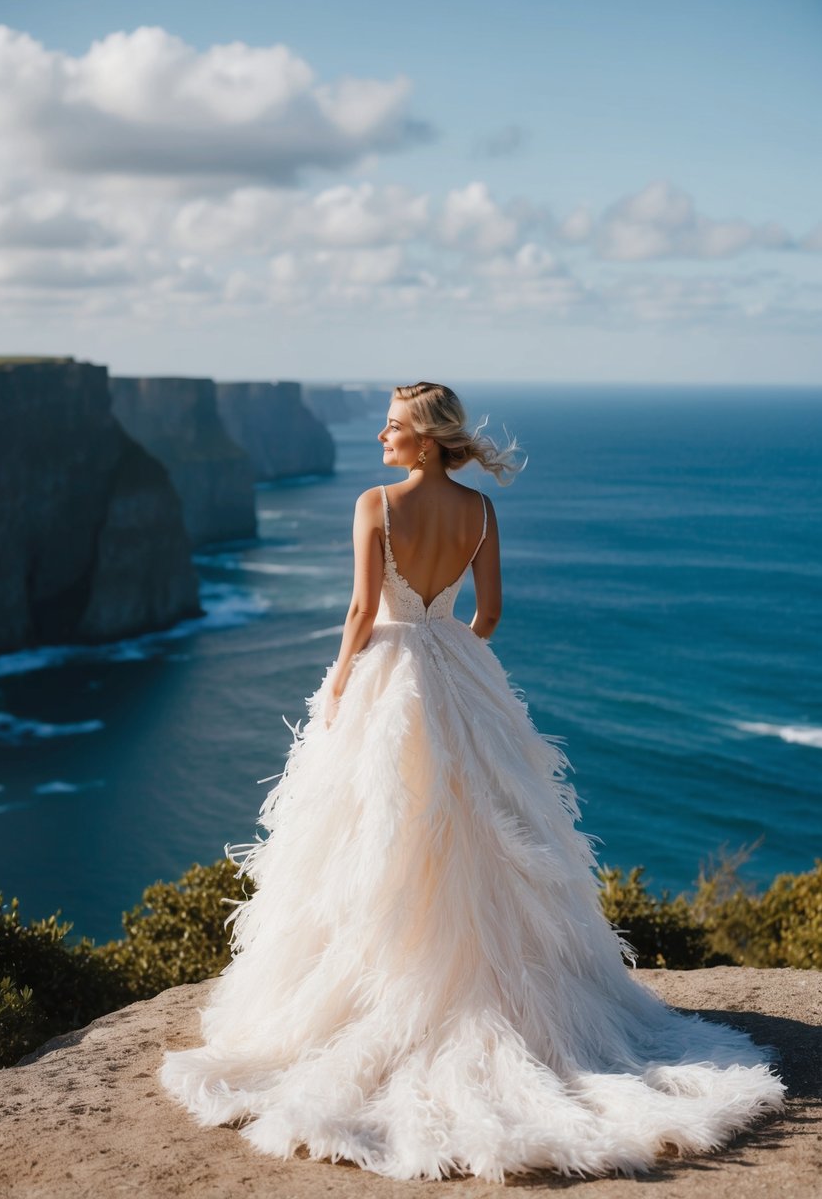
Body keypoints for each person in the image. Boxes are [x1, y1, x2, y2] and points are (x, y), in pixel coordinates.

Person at [160, 382, 784, 1182]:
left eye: (392, 427)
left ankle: (386, 991)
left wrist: (343, 686)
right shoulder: (482, 514)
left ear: (423, 441)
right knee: (485, 825)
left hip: (387, 668)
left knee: (373, 830)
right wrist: (448, 654)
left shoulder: (375, 504)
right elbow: (486, 615)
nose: (380, 436)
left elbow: (358, 611)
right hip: (457, 668)